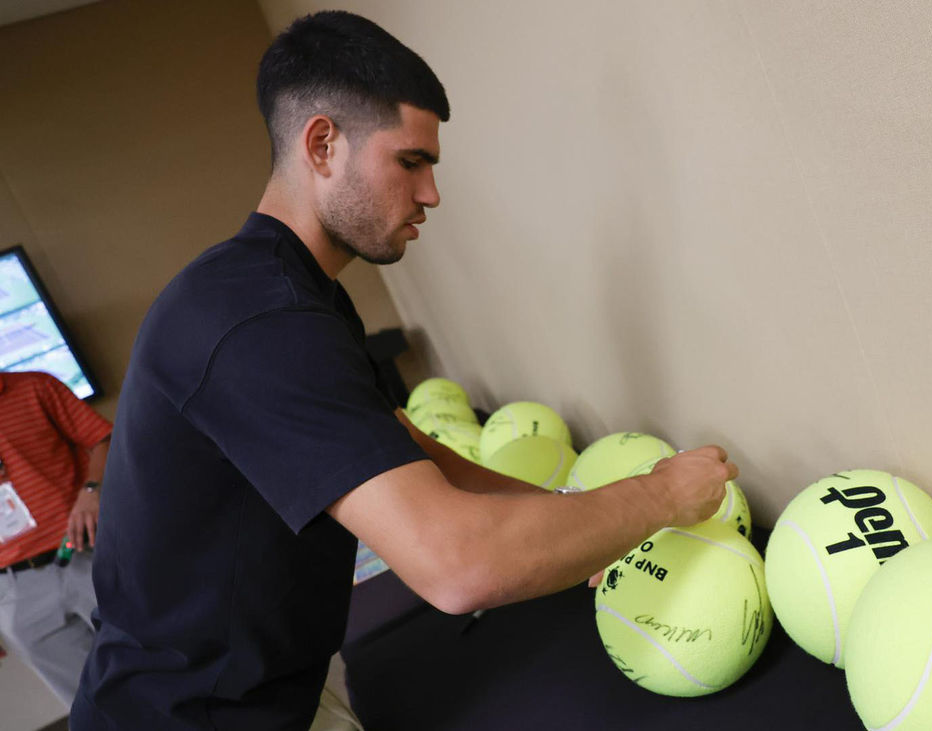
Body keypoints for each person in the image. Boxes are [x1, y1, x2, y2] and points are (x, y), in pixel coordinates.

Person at [71, 11, 733, 730]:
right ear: (323, 144)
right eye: (410, 162)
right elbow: (458, 566)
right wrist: (660, 497)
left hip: (271, 684)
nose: (431, 195)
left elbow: (417, 455)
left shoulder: (295, 294)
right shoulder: (259, 322)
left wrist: (586, 529)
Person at [0, 370, 111, 707]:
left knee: (168, 667)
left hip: (85, 553)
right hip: (14, 590)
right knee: (91, 707)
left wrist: (92, 491)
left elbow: (103, 439)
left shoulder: (35, 387)